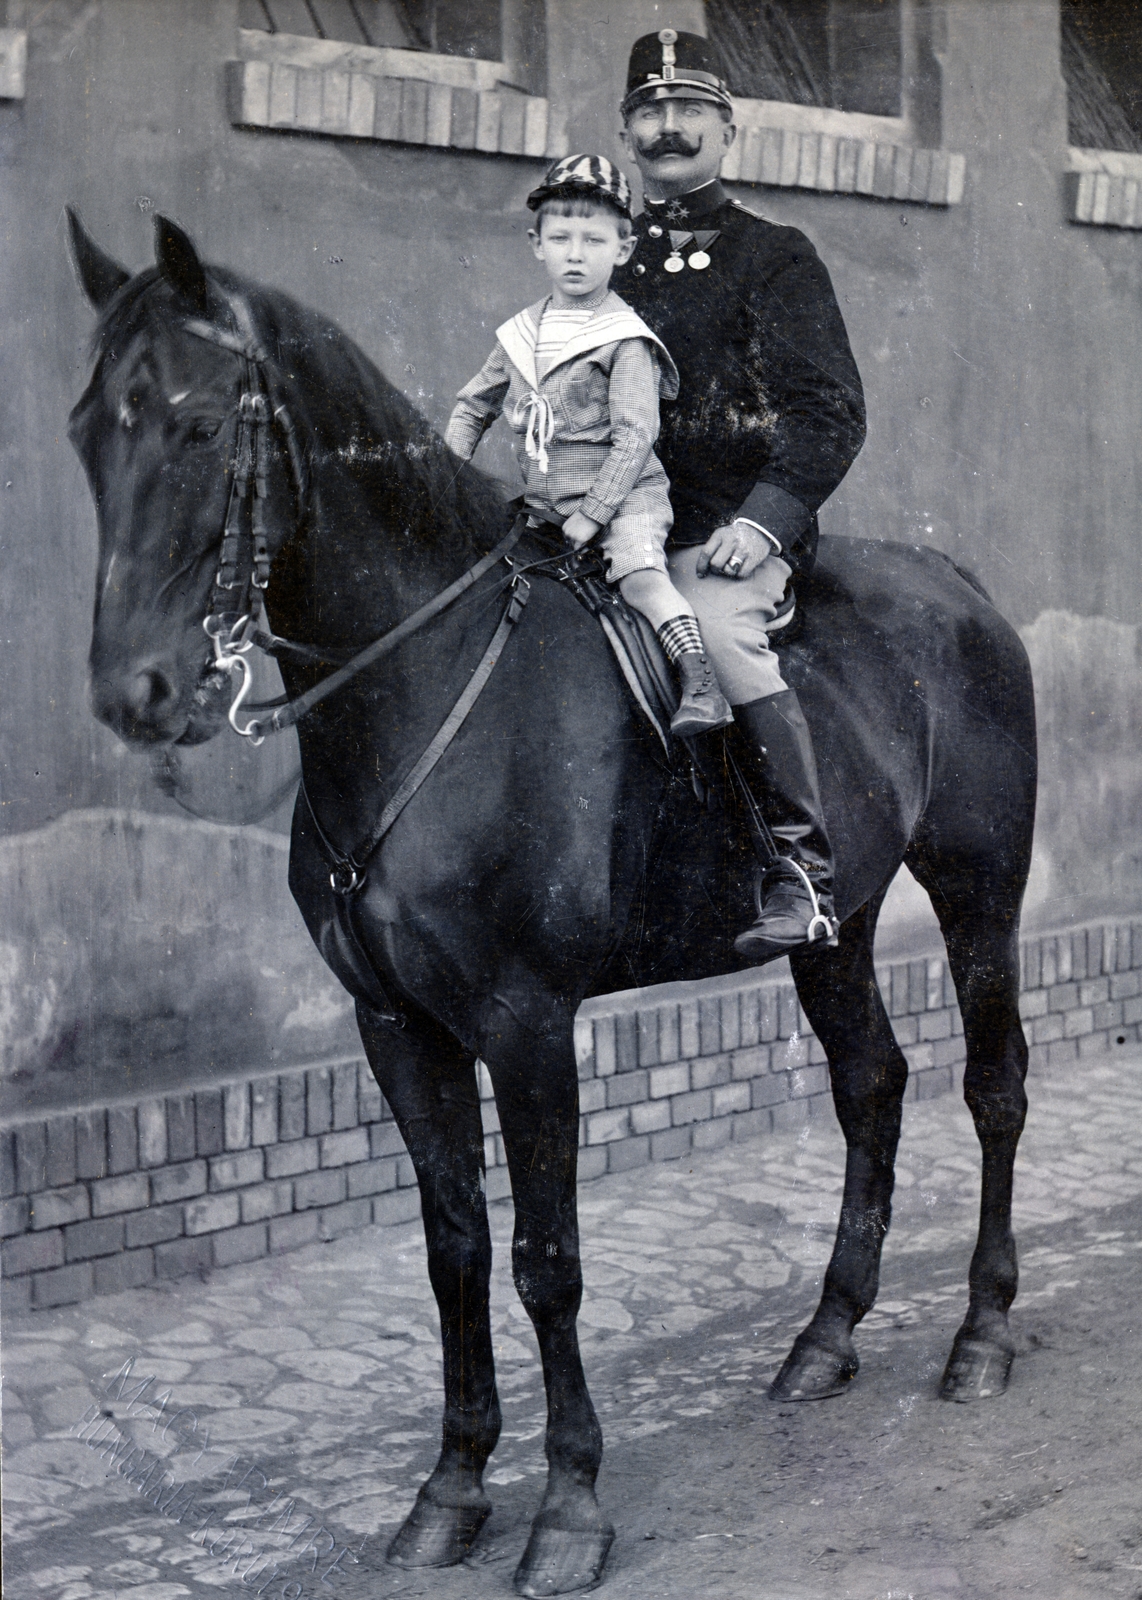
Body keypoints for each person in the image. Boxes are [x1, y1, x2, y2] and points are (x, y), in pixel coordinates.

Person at [612, 28, 868, 959]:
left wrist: (764, 525)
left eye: (690, 112)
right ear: (626, 130)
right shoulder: (597, 256)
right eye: (650, 111)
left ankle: (800, 868)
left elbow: (828, 412)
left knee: (715, 633)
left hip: (728, 534)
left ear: (728, 130)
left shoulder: (776, 256)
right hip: (614, 523)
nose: (668, 128)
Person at [445, 153, 733, 739]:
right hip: (547, 498)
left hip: (623, 496)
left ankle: (700, 681)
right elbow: (473, 403)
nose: (575, 254)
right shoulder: (524, 333)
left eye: (594, 241)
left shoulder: (624, 339)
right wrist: (446, 475)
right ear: (537, 244)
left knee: (639, 576)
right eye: (561, 238)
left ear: (623, 250)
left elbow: (636, 436)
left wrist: (594, 514)